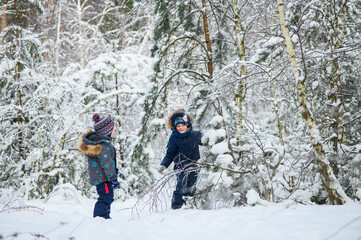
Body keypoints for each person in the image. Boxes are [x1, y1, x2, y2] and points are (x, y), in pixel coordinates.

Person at [77, 113, 119, 219]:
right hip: (103, 178)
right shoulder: (103, 146)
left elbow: (109, 163)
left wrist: (114, 173)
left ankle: (104, 217)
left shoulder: (100, 144)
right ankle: (101, 219)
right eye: (113, 129)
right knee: (105, 198)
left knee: (106, 197)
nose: (114, 131)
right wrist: (113, 178)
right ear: (107, 131)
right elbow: (107, 164)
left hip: (102, 177)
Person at [158, 110, 202, 209]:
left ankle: (189, 204)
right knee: (181, 185)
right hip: (180, 165)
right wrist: (164, 164)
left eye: (183, 125)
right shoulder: (174, 138)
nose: (181, 128)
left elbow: (208, 142)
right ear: (175, 127)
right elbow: (170, 154)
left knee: (192, 185)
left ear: (187, 124)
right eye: (178, 126)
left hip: (194, 164)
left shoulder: (196, 135)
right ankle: (176, 206)